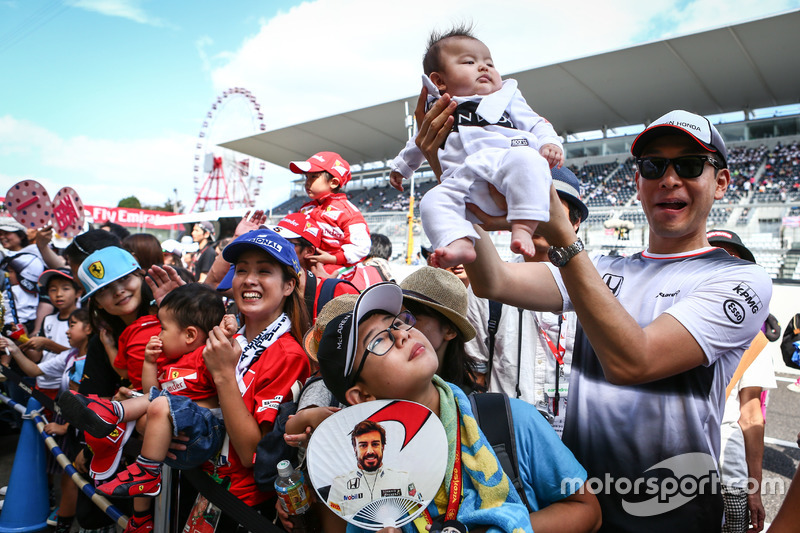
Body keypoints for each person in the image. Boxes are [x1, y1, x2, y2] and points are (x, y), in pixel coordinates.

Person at [456, 109, 772, 532]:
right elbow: (492, 280)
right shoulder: (602, 267)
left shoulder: (738, 277)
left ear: (721, 182)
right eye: (653, 166)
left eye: (690, 165)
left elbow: (633, 363)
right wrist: (456, 173)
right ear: (638, 184)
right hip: (581, 502)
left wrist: (563, 236)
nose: (670, 178)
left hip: (672, 511)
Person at [316, 282, 600, 533]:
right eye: (378, 340)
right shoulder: (348, 475)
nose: (402, 335)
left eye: (398, 323)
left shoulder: (509, 420)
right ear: (362, 395)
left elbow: (588, 510)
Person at [57, 284, 228, 532]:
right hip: (172, 428)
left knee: (158, 405)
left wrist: (225, 331)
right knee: (143, 462)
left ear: (189, 335)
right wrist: (150, 362)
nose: (158, 333)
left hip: (203, 430)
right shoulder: (171, 362)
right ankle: (141, 518)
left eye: (163, 328)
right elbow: (151, 391)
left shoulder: (205, 355)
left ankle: (112, 414)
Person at [389, 25, 563, 268]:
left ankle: (523, 226)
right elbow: (417, 141)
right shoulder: (436, 107)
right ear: (438, 80)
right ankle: (459, 241)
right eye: (469, 62)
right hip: (462, 180)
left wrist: (549, 142)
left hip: (505, 167)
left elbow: (535, 123)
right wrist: (402, 168)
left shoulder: (506, 97)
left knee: (528, 160)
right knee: (431, 200)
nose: (484, 67)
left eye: (490, 63)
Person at [201, 228, 312, 530]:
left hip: (244, 507)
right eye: (242, 270)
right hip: (208, 486)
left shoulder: (288, 356)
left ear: (289, 285)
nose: (249, 279)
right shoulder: (230, 340)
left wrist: (224, 374)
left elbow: (252, 453)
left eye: (264, 270)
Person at [465, 166, 588, 435]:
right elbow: (477, 371)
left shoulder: (597, 287)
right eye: (527, 206)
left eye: (548, 208)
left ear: (575, 221)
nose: (536, 217)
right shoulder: (484, 292)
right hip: (509, 439)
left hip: (580, 436)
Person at [705, 229, 776, 533]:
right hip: (673, 470)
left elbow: (750, 416)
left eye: (732, 260)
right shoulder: (664, 322)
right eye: (713, 257)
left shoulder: (754, 339)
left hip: (728, 475)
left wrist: (755, 487)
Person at [1, 307, 93, 533]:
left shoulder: (91, 362)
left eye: (72, 325)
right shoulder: (71, 355)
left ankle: (64, 524)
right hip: (69, 419)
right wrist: (12, 348)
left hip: (79, 425)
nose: (67, 331)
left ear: (89, 328)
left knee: (71, 478)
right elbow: (34, 369)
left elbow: (89, 401)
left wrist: (66, 426)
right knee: (66, 474)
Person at [289, 151, 371, 277]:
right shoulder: (306, 209)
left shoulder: (348, 212)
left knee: (325, 281)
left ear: (333, 182)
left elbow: (361, 247)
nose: (307, 182)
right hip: (310, 262)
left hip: (339, 265)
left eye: (313, 177)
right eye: (306, 177)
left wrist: (333, 259)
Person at [327, 419, 421, 517]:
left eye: (375, 444)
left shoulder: (403, 479)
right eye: (363, 445)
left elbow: (419, 519)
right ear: (355, 449)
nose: (370, 451)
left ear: (383, 447)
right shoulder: (339, 485)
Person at [20, 269, 83, 404]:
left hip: (65, 385)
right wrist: (22, 338)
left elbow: (79, 355)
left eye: (65, 289)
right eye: (53, 290)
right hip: (43, 381)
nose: (58, 294)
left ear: (78, 292)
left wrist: (46, 343)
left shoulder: (83, 321)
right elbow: (37, 357)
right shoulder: (48, 319)